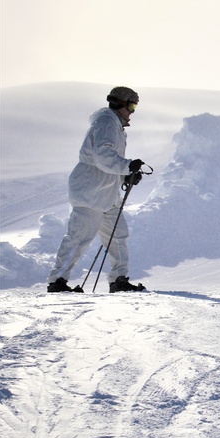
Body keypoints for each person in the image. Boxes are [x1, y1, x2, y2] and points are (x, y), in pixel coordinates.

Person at [47, 86, 146, 293]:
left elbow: (107, 158)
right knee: (79, 237)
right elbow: (102, 155)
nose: (132, 112)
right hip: (90, 190)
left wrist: (126, 175)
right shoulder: (107, 122)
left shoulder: (114, 125)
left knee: (118, 235)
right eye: (132, 106)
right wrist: (127, 166)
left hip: (108, 192)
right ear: (121, 104)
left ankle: (119, 280)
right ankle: (58, 281)